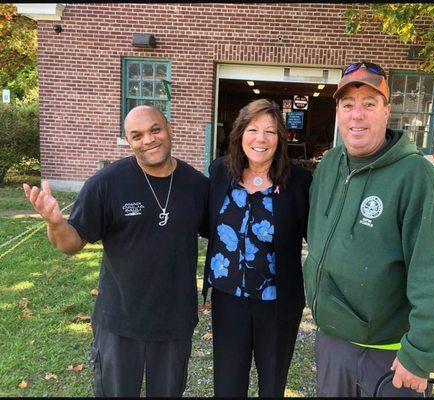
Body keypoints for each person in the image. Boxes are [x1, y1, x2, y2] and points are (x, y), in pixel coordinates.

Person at [23, 106, 208, 397]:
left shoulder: (197, 186)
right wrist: (56, 224)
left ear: (169, 128)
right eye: (137, 135)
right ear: (128, 141)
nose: (148, 140)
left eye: (155, 130)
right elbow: (71, 244)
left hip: (175, 321)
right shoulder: (106, 184)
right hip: (119, 320)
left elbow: (223, 235)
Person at [303, 61, 434, 397]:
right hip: (333, 341)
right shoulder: (330, 165)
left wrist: (420, 354)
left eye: (369, 104)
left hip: (387, 355)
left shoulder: (416, 178)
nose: (357, 115)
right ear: (338, 112)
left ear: (387, 112)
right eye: (348, 105)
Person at [202, 99, 311, 397]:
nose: (260, 139)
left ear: (281, 139)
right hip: (228, 299)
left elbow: (317, 235)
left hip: (276, 303)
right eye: (253, 129)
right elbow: (202, 222)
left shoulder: (298, 183)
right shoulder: (220, 173)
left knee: (272, 385)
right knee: (227, 383)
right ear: (239, 134)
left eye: (270, 131)